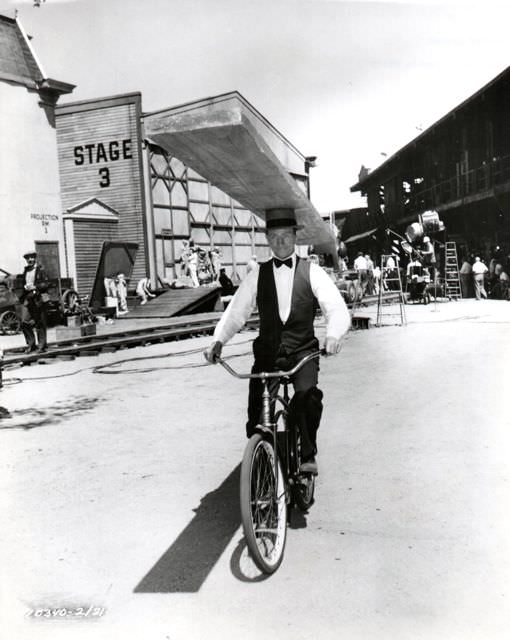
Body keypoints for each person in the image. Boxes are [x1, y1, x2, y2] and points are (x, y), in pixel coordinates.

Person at [204, 207, 351, 476]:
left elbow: (336, 307)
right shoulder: (256, 275)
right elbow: (236, 311)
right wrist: (218, 341)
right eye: (274, 236)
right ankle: (262, 466)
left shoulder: (313, 271)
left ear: (295, 237)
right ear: (267, 239)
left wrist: (333, 335)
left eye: (285, 235)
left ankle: (307, 453)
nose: (281, 241)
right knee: (258, 416)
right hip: (268, 355)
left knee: (307, 397)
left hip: (303, 353)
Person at [19, 250, 50, 353]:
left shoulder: (41, 270)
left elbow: (46, 284)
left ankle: (42, 346)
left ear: (35, 258)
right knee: (24, 321)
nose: (30, 260)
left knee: (40, 322)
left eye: (32, 257)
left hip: (38, 298)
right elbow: (23, 283)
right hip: (28, 298)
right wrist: (24, 287)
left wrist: (35, 286)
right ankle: (31, 344)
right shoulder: (26, 270)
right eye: (28, 258)